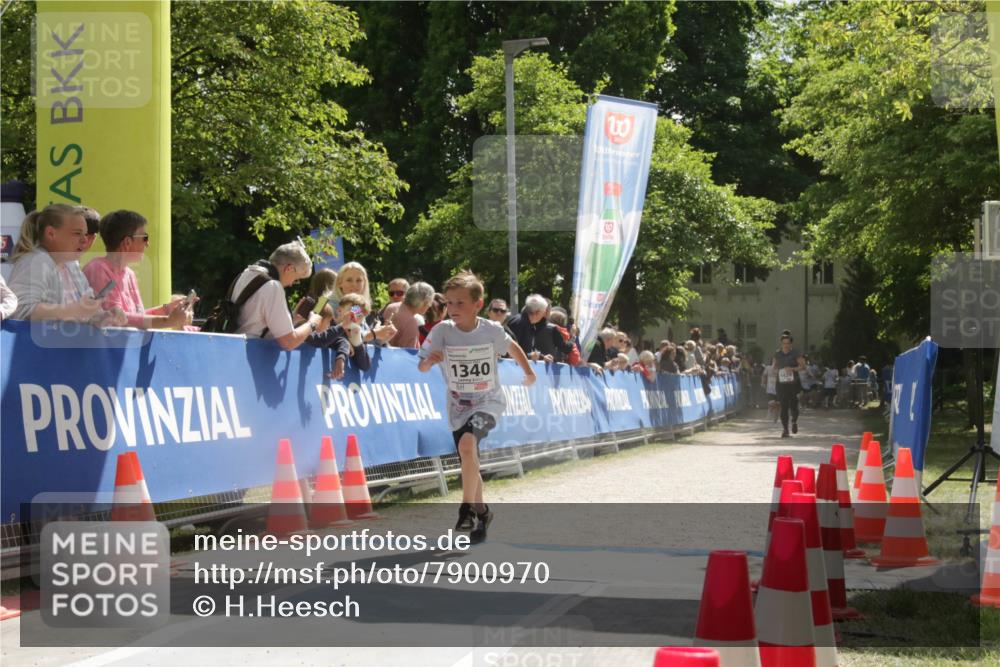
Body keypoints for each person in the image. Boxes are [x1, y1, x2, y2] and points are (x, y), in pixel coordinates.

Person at [417, 270, 535, 544]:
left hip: (488, 402)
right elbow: (422, 365)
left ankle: (465, 509)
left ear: (477, 304)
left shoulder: (491, 330)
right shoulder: (442, 331)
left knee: (467, 447)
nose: (453, 309)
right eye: (449, 303)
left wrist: (529, 373)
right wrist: (430, 362)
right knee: (469, 460)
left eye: (460, 303)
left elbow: (514, 347)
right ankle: (482, 513)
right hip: (458, 405)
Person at [8, 204, 122, 324]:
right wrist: (72, 311)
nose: (84, 240)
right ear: (51, 233)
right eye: (77, 233)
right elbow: (19, 310)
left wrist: (103, 317)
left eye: (85, 234)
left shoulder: (72, 265)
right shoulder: (35, 261)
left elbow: (84, 313)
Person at [83, 210, 193, 330]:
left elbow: (135, 318)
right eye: (145, 238)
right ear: (127, 242)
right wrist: (168, 321)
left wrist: (166, 309)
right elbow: (115, 320)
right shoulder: (97, 268)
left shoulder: (129, 274)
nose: (148, 244)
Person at [231, 241, 324, 350]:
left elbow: (250, 321)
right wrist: (312, 324)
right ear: (289, 269)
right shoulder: (273, 286)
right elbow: (289, 342)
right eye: (296, 279)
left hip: (233, 348)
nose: (291, 284)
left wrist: (292, 318)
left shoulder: (247, 273)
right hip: (251, 354)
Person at [307, 292, 371, 378]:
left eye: (360, 315)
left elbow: (365, 366)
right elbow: (320, 337)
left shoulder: (353, 333)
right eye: (353, 310)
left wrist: (357, 344)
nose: (355, 316)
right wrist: (345, 349)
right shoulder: (325, 322)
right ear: (339, 310)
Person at [334, 262, 395, 345]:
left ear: (364, 284)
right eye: (349, 280)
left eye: (359, 280)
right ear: (339, 282)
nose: (354, 285)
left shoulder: (357, 306)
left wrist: (382, 337)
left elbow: (359, 338)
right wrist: (375, 334)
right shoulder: (322, 300)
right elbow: (322, 335)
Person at [504, 294, 572, 363]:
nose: (545, 314)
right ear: (537, 312)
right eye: (544, 311)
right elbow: (509, 352)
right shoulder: (519, 323)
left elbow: (526, 350)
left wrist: (542, 357)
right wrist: (530, 356)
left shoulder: (528, 324)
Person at [772, 333, 806, 437]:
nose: (786, 345)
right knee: (784, 406)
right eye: (784, 343)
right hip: (781, 384)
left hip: (793, 383)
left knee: (794, 405)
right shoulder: (777, 354)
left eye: (788, 343)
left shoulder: (795, 353)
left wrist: (792, 369)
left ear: (791, 344)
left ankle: (794, 421)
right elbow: (774, 367)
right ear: (781, 344)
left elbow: (803, 367)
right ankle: (785, 429)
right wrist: (778, 370)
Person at [384, 281, 434, 349]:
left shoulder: (391, 307)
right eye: (430, 303)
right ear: (425, 302)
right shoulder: (411, 322)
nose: (429, 306)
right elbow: (409, 355)